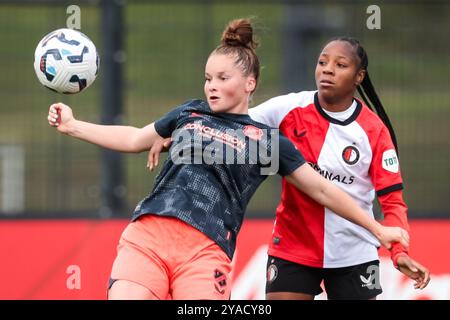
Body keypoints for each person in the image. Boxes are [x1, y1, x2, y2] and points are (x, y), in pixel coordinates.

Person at [48, 21, 408, 300]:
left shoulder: (268, 141)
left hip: (206, 252)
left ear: (250, 83)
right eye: (208, 78)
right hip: (148, 236)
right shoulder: (189, 114)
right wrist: (73, 125)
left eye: (223, 78)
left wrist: (378, 229)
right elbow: (133, 138)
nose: (211, 87)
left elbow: (323, 190)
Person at [246, 37, 430, 300]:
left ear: (359, 76)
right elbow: (234, 124)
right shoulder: (288, 108)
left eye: (340, 64)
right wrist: (172, 128)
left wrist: (399, 252)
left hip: (355, 253)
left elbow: (392, 202)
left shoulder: (374, 130)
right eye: (322, 62)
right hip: (292, 246)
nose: (327, 69)